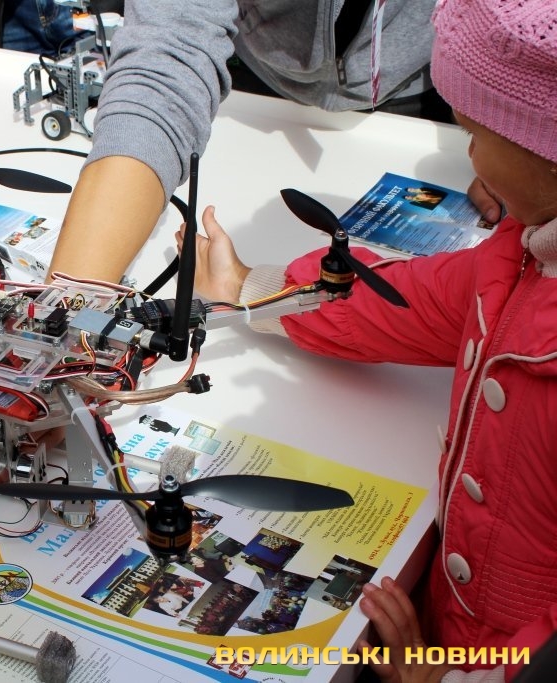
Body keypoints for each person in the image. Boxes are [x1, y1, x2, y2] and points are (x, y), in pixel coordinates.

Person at [177, 0, 557, 679]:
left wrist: (444, 677)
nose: (469, 156)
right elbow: (410, 303)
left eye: (477, 131)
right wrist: (254, 288)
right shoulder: (520, 252)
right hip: (448, 626)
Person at [47, 0, 506, 284]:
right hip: (255, 86)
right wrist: (67, 307)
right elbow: (165, 62)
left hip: (440, 94)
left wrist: (511, 139)